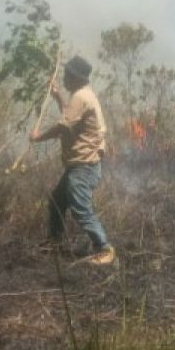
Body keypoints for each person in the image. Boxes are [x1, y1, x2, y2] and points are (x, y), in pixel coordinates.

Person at [29, 55, 116, 266]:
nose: (64, 78)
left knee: (81, 208)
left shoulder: (81, 97)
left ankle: (104, 248)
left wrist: (38, 137)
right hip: (80, 164)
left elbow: (62, 126)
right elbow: (71, 118)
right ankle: (54, 241)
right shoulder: (83, 95)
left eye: (67, 75)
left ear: (76, 77)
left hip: (83, 166)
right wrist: (59, 97)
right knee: (57, 200)